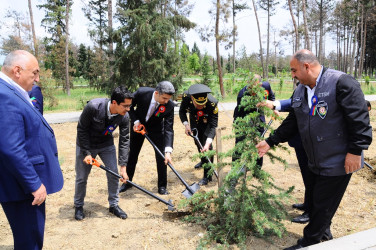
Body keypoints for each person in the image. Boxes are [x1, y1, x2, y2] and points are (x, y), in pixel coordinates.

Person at [256, 49, 372, 250]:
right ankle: (324, 235)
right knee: (320, 200)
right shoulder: (300, 90)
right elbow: (293, 121)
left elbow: (359, 120)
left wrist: (356, 151)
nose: (291, 75)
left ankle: (308, 242)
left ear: (306, 66)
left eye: (293, 70)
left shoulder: (341, 82)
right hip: (316, 159)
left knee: (321, 205)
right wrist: (270, 141)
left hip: (339, 159)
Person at [0, 50, 64, 249]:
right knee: (29, 242)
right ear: (17, 70)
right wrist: (34, 184)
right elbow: (11, 148)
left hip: (20, 183)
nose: (37, 79)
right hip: (21, 187)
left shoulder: (11, 91)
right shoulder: (4, 96)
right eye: (34, 73)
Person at [74, 86, 133, 220]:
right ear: (114, 103)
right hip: (86, 144)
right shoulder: (94, 107)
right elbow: (81, 129)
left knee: (113, 174)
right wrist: (87, 153)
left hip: (106, 144)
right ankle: (78, 206)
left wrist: (123, 167)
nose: (128, 109)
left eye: (130, 106)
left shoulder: (124, 116)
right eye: (125, 106)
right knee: (81, 177)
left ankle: (114, 205)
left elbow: (124, 140)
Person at [119, 81, 175, 195]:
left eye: (168, 99)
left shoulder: (169, 105)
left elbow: (169, 128)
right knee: (133, 154)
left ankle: (162, 187)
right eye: (164, 98)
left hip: (156, 130)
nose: (166, 101)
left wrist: (168, 151)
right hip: (138, 127)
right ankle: (127, 182)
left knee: (161, 156)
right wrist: (135, 121)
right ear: (156, 93)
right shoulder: (141, 93)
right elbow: (129, 106)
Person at [262, 99, 311, 224]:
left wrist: (276, 104)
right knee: (307, 175)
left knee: (312, 176)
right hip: (300, 140)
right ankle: (308, 203)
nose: (294, 78)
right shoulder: (302, 86)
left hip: (312, 142)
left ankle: (311, 212)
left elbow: (299, 103)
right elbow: (296, 102)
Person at [179, 84, 218, 185]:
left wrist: (208, 142)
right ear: (192, 98)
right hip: (194, 120)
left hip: (207, 122)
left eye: (202, 104)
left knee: (206, 146)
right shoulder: (186, 97)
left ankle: (207, 176)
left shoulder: (212, 103)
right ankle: (202, 160)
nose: (200, 106)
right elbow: (182, 111)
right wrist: (186, 125)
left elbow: (213, 125)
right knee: (197, 142)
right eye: (198, 104)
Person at [233, 74, 275, 169]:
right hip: (242, 118)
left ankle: (257, 167)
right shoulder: (242, 94)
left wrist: (274, 108)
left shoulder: (266, 86)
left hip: (259, 116)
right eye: (250, 86)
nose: (253, 89)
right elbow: (242, 112)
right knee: (240, 142)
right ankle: (235, 167)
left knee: (259, 140)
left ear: (260, 84)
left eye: (255, 86)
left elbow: (272, 97)